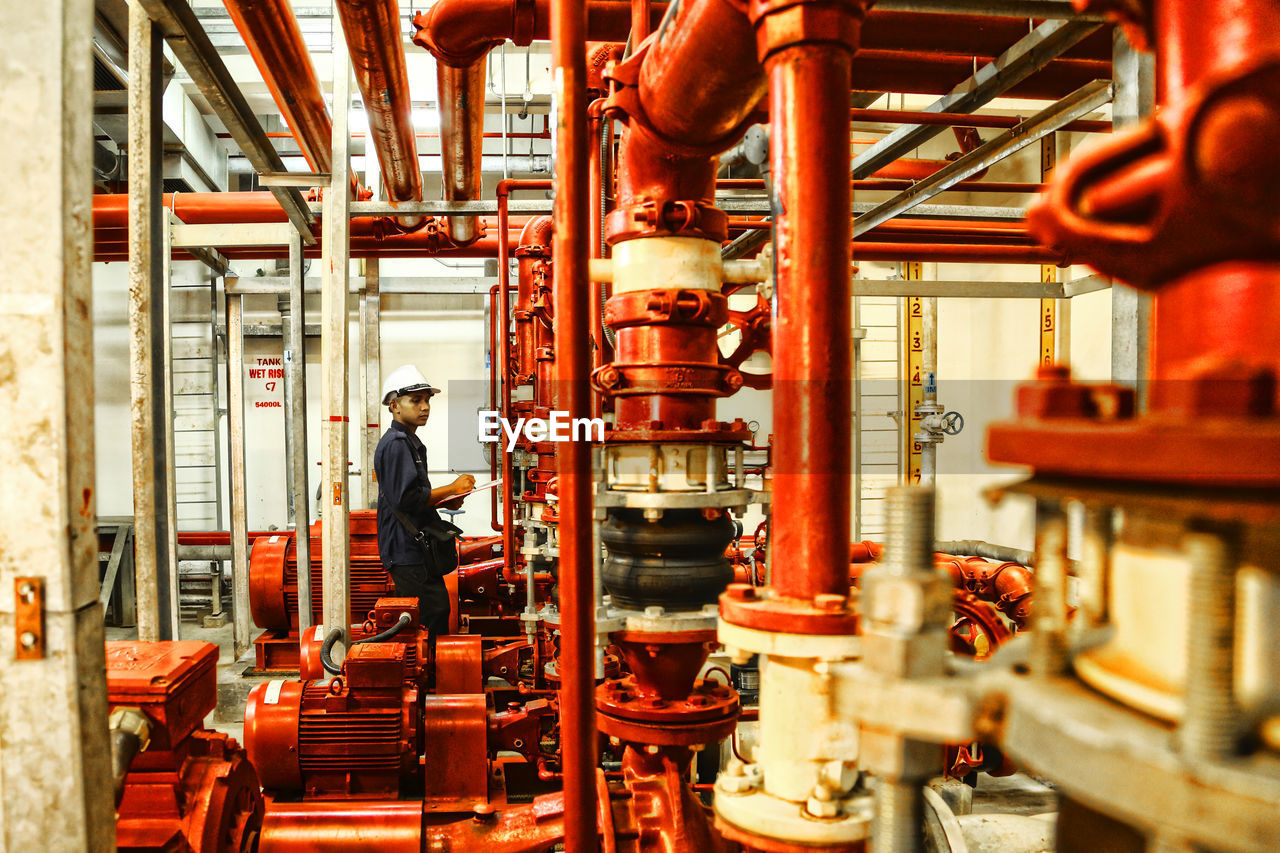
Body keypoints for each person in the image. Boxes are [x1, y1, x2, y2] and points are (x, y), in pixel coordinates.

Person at [374, 365, 475, 638]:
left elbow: (413, 498)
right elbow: (406, 499)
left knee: (437, 611)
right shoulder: (396, 443)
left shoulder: (409, 442)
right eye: (416, 400)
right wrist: (451, 487)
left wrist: (446, 501)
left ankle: (432, 674)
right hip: (406, 550)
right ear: (394, 405)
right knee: (427, 619)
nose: (425, 407)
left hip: (416, 548)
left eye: (427, 400)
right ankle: (427, 676)